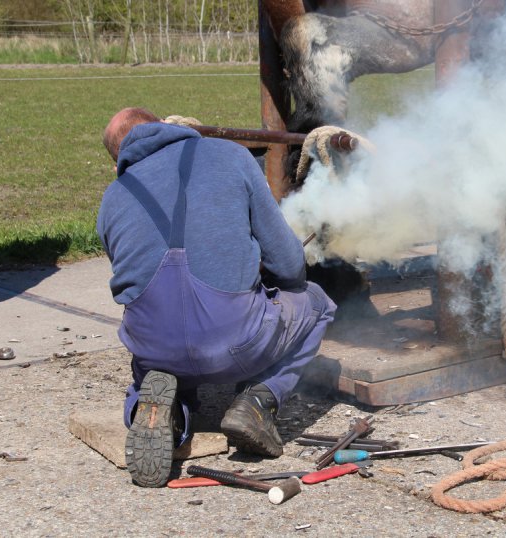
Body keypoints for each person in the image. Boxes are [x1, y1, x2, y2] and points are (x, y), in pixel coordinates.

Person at [97, 107, 336, 488]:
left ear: (118, 161)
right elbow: (290, 265)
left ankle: (165, 408)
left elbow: (136, 282)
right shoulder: (231, 156)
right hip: (235, 345)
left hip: (155, 350)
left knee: (163, 335)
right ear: (165, 126)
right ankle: (257, 401)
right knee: (318, 302)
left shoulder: (113, 197)